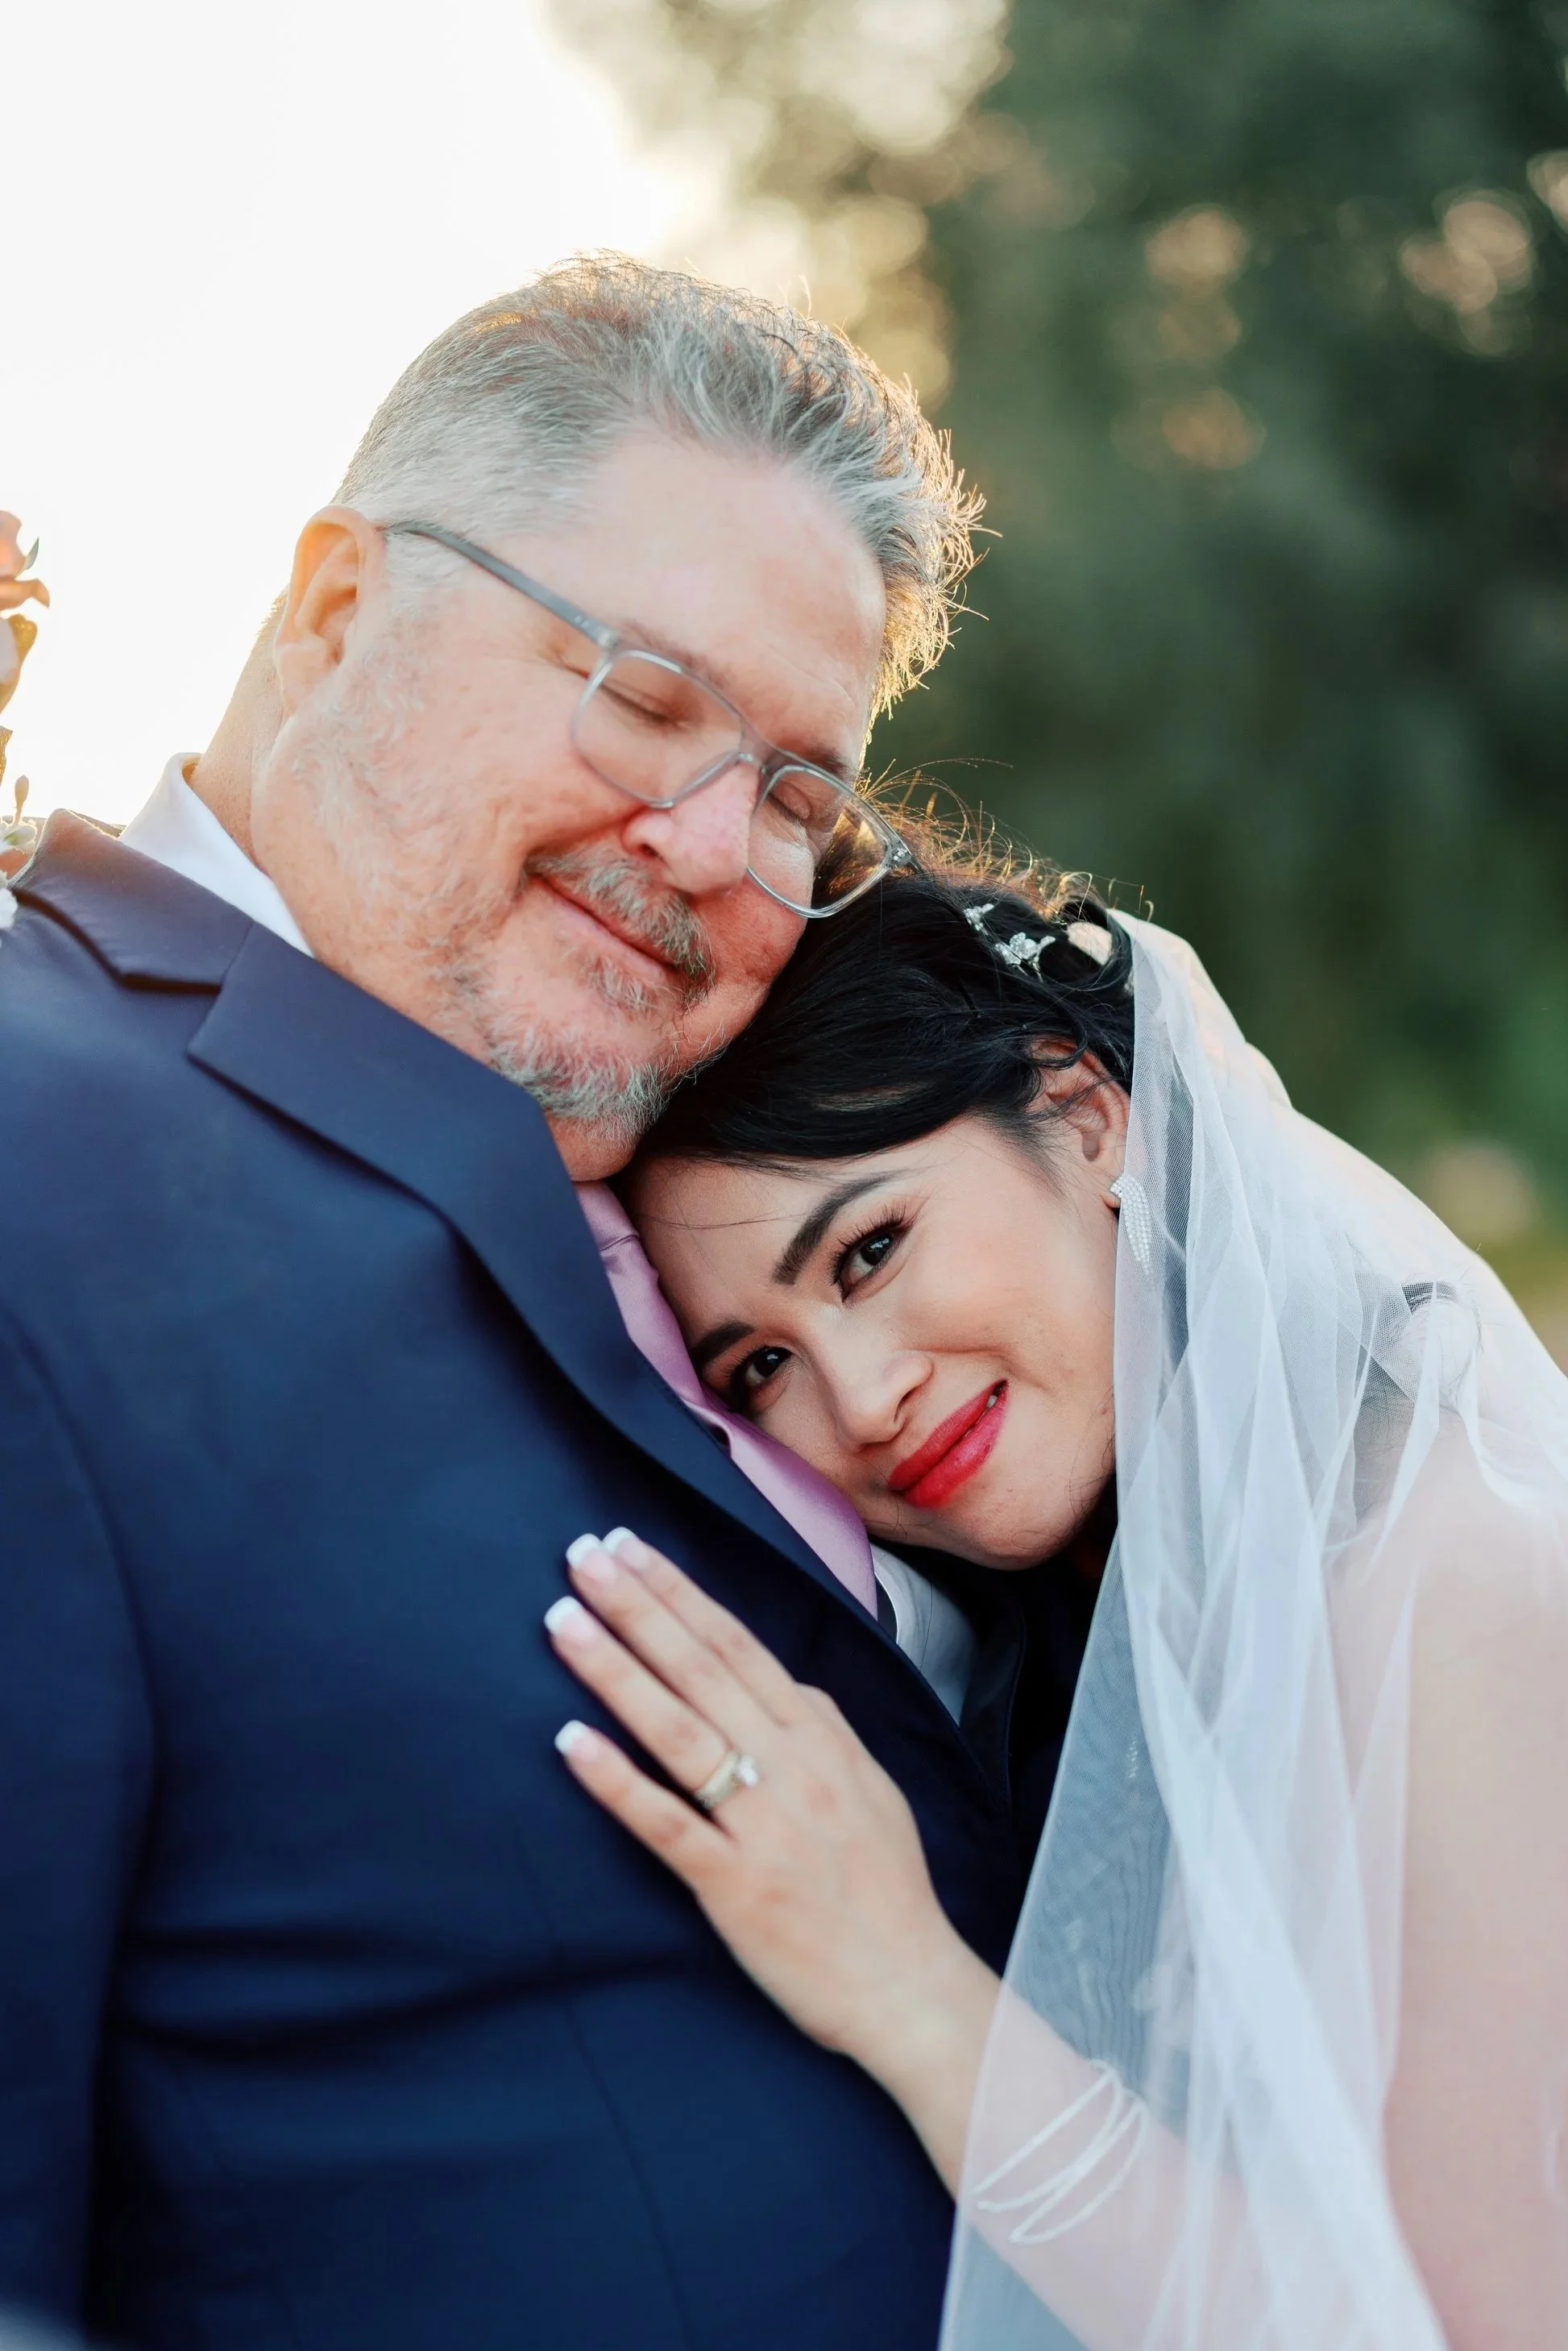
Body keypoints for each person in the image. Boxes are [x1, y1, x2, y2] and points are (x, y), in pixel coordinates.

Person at [0, 259, 1023, 2351]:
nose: (719, 844)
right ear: (336, 602)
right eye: (645, 698)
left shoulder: (781, 1156)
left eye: (805, 794)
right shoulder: (36, 1132)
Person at [544, 862, 1568, 2350]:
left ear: (1083, 1117)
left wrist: (901, 1984)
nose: (862, 1396)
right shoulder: (1087, 1635)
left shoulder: (1450, 1588)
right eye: (758, 1365)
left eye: (872, 1248)